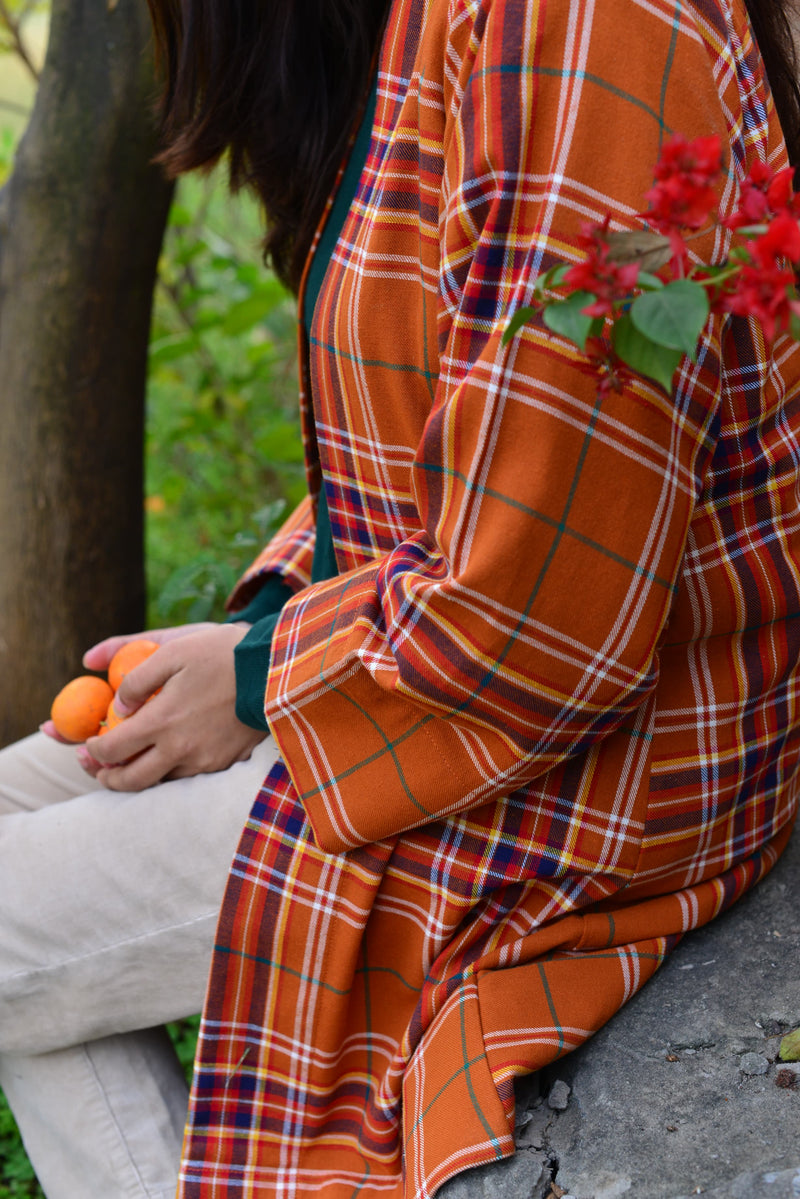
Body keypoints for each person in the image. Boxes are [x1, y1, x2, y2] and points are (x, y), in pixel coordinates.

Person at [1, 0, 799, 1196]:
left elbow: (547, 619)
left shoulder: (576, 30)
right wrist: (257, 638)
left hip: (580, 765)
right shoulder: (435, 20)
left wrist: (269, 679)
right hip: (422, 673)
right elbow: (437, 446)